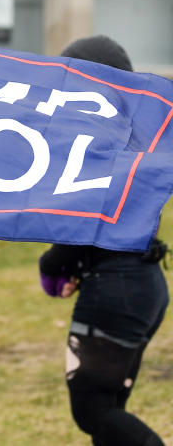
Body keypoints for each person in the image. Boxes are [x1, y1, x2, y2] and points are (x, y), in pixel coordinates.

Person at [39, 35, 168, 446]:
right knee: (111, 409)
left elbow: (86, 223)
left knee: (94, 411)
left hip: (115, 292)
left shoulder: (98, 148)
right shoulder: (138, 142)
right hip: (145, 287)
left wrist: (52, 264)